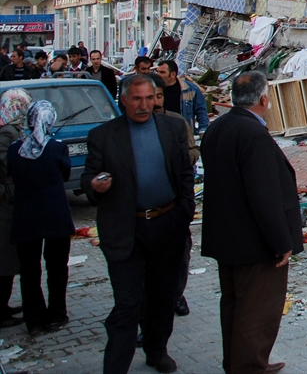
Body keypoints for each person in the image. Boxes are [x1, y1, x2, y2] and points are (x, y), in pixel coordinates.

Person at [82, 75, 194, 374]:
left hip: (166, 226)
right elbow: (89, 179)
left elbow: (185, 172)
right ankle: (116, 365)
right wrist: (96, 184)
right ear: (123, 100)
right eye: (137, 99)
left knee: (162, 297)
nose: (145, 105)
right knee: (128, 303)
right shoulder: (104, 136)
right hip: (125, 230)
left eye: (150, 98)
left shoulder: (171, 128)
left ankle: (157, 351)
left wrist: (183, 212)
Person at [202, 71, 300, 374]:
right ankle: (248, 367)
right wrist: (281, 242)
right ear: (264, 99)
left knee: (234, 306)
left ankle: (239, 362)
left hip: (227, 238)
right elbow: (263, 195)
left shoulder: (218, 128)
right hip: (255, 244)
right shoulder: (253, 134)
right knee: (257, 312)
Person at [9, 101, 74, 335]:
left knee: (29, 270)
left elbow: (12, 175)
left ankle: (34, 319)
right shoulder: (57, 148)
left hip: (25, 216)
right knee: (57, 267)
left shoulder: (15, 149)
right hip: (55, 214)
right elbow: (65, 174)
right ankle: (57, 315)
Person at [148, 73, 198, 318]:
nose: (154, 103)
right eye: (148, 98)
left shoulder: (177, 123)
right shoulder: (127, 129)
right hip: (143, 212)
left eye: (158, 96)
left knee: (179, 258)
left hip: (173, 206)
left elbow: (192, 154)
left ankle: (176, 295)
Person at [0, 88, 31, 329]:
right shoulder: (6, 132)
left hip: (9, 199)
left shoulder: (10, 128)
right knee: (6, 258)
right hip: (4, 202)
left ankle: (4, 306)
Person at [156, 61, 209, 135]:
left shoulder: (190, 89)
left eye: (162, 72)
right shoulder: (155, 89)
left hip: (183, 133)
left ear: (173, 74)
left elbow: (201, 110)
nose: (158, 75)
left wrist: (203, 130)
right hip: (162, 132)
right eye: (157, 72)